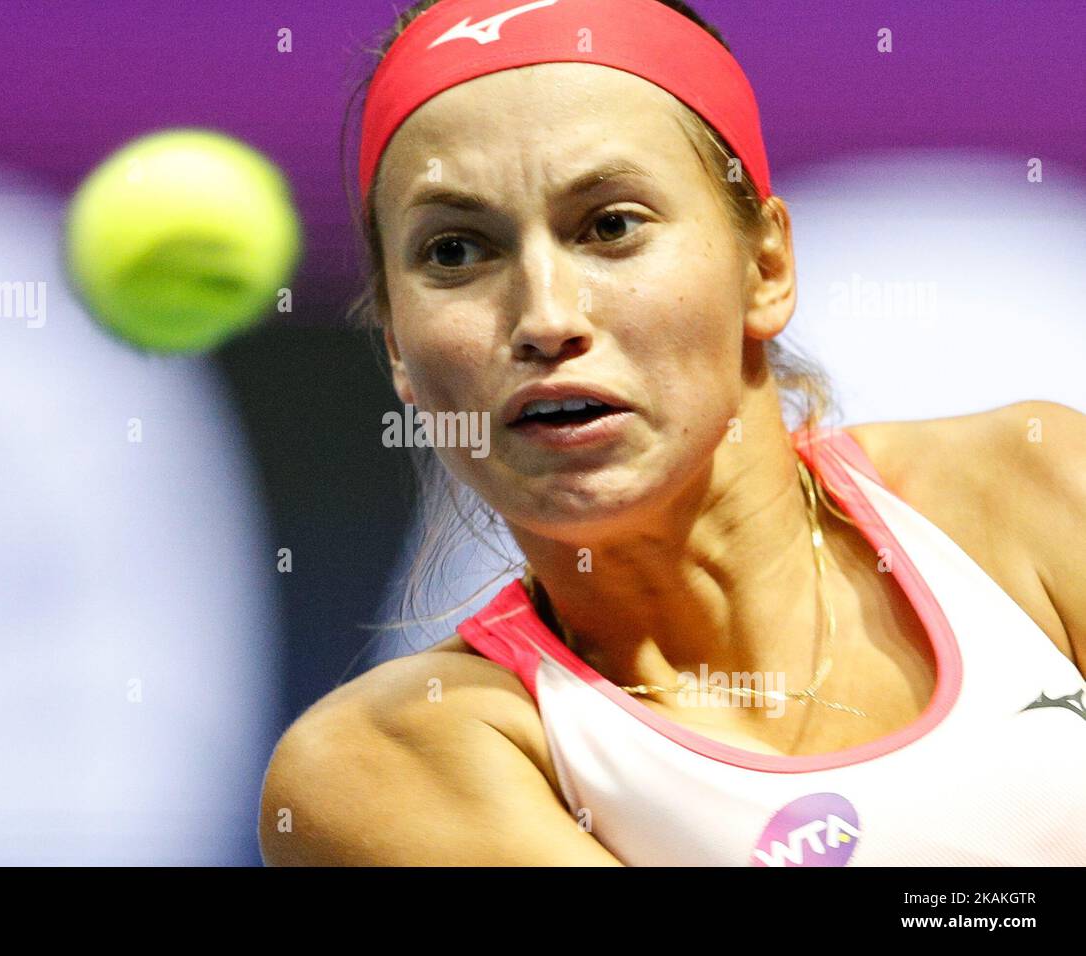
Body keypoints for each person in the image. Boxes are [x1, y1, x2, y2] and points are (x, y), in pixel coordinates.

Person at [258, 0, 1086, 866]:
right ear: (397, 349)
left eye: (611, 225)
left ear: (765, 268)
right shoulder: (388, 764)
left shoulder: (1037, 494)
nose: (546, 318)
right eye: (457, 252)